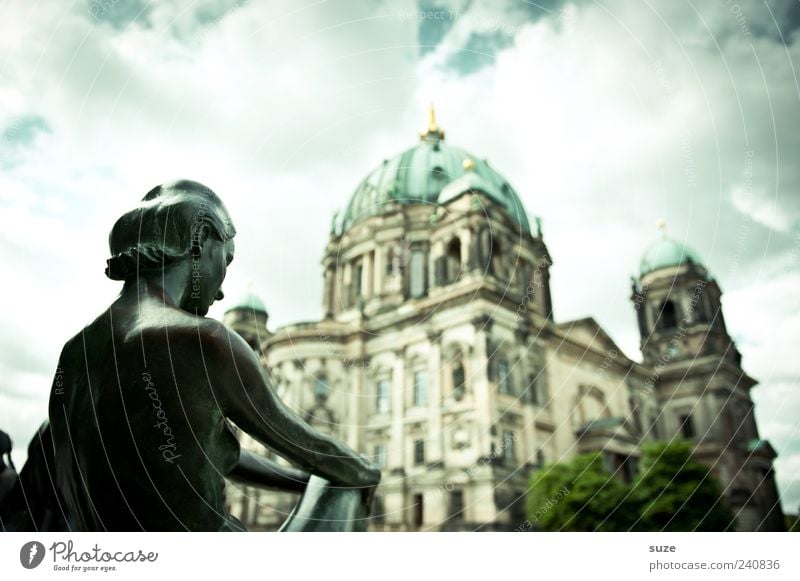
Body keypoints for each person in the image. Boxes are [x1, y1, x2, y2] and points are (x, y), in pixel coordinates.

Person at [48, 180, 380, 531]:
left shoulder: (74, 352)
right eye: (226, 259)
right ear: (202, 239)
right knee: (347, 483)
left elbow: (201, 451)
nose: (221, 291)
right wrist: (364, 472)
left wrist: (301, 481)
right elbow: (310, 449)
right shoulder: (204, 338)